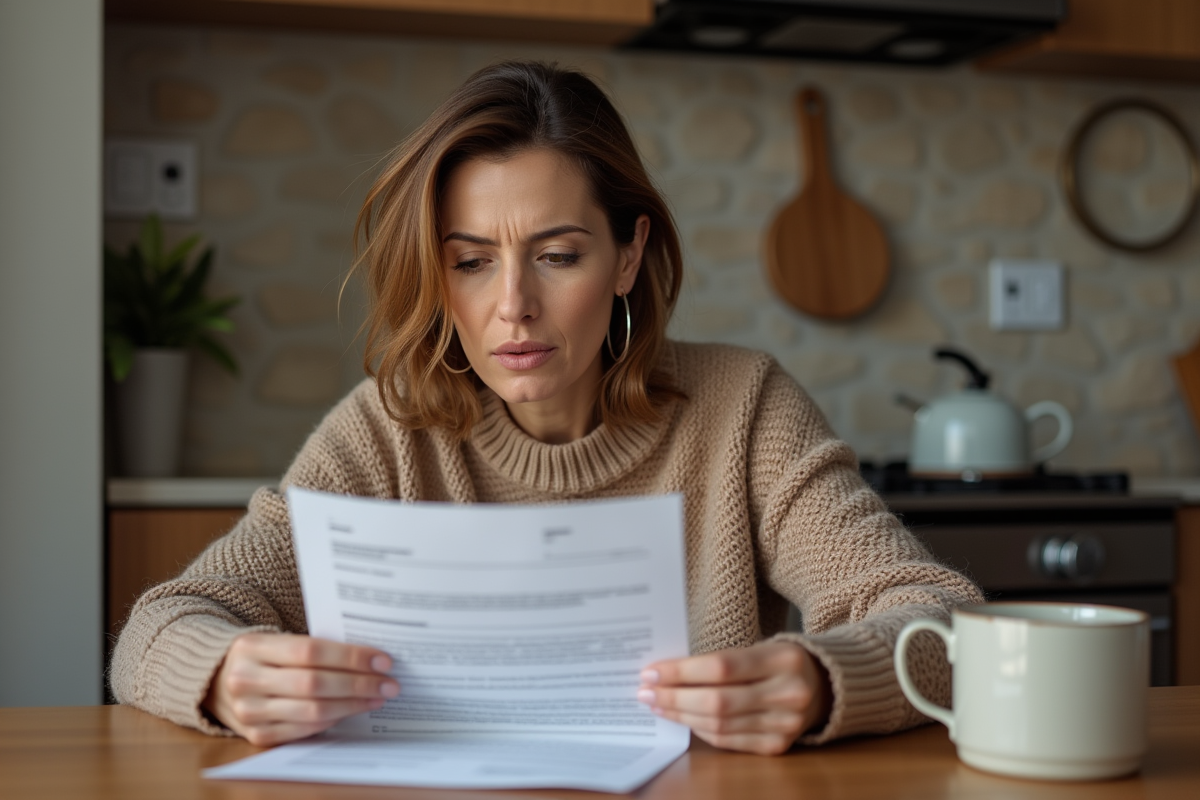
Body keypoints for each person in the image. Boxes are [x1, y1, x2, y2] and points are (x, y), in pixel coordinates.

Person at [110, 61, 982, 756]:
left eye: (558, 256)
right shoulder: (385, 430)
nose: (513, 306)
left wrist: (827, 680)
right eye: (472, 261)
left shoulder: (742, 409)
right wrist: (225, 672)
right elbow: (156, 628)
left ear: (629, 256)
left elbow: (940, 619)